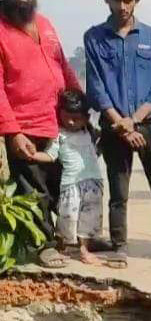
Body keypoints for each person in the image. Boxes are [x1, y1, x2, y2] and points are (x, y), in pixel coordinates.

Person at [85, 0, 151, 269]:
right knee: (118, 192)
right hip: (114, 126)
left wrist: (134, 121)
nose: (122, 6)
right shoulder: (94, 37)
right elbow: (96, 88)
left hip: (149, 124)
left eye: (128, 0)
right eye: (116, 0)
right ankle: (120, 247)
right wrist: (121, 123)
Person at [0, 0, 84, 269]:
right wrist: (12, 131)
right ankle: (43, 247)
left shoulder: (45, 24)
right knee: (35, 192)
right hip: (25, 129)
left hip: (57, 122)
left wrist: (80, 104)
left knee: (65, 186)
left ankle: (65, 238)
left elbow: (64, 67)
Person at [33, 90, 105, 266]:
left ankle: (84, 250)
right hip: (71, 185)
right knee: (68, 219)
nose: (71, 121)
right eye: (67, 117)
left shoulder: (90, 133)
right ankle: (62, 246)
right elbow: (50, 156)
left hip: (94, 183)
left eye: (77, 118)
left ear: (86, 117)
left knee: (89, 218)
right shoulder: (59, 135)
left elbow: (98, 148)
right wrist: (32, 155)